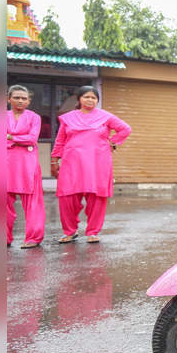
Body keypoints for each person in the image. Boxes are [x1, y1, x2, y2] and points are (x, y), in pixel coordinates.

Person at [51, 86, 131, 244]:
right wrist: (54, 160)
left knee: (96, 197)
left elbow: (125, 129)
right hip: (71, 162)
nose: (90, 100)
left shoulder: (105, 116)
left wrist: (112, 142)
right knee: (67, 197)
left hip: (98, 162)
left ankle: (93, 232)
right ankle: (70, 231)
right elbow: (60, 140)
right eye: (87, 97)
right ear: (79, 99)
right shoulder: (68, 118)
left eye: (94, 98)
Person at [6, 85, 45, 248]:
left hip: (27, 164)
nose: (20, 101)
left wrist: (9, 136)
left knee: (33, 203)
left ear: (29, 101)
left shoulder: (34, 117)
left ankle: (33, 238)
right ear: (8, 99)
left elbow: (32, 139)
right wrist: (20, 138)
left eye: (24, 98)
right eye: (16, 97)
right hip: (3, 163)